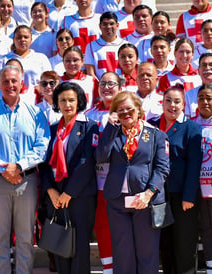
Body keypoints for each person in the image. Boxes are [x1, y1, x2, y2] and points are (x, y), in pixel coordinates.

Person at [0, 65, 50, 274]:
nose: (10, 85)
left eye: (14, 81)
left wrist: (20, 166)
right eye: (5, 81)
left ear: (21, 83)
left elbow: (42, 145)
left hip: (27, 180)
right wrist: (3, 168)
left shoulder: (35, 113)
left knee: (25, 237)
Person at [95, 91, 170, 273]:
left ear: (138, 110)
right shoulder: (112, 133)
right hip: (117, 201)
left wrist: (148, 193)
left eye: (129, 109)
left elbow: (162, 169)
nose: (126, 113)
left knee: (147, 252)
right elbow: (100, 157)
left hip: (144, 200)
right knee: (122, 252)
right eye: (120, 111)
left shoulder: (156, 135)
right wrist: (110, 128)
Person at [39, 81, 98, 273]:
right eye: (62, 100)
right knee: (60, 247)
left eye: (71, 100)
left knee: (79, 250)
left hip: (79, 197)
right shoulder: (53, 128)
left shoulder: (90, 127)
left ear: (79, 101)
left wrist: (68, 193)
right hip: (55, 197)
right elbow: (44, 161)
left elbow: (86, 163)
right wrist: (50, 191)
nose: (67, 104)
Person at [147, 85, 202, 274]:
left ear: (184, 104)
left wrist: (189, 196)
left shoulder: (191, 127)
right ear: (161, 103)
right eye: (168, 101)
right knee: (165, 245)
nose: (172, 105)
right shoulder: (152, 125)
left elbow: (194, 165)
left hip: (182, 197)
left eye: (177, 101)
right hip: (158, 196)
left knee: (184, 246)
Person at [85, 72, 124, 273]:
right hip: (97, 182)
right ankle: (108, 268)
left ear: (120, 87)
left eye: (111, 83)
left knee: (123, 226)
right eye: (103, 83)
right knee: (102, 226)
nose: (107, 87)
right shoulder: (88, 115)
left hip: (123, 182)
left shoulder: (128, 112)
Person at [193, 84, 212, 273]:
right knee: (206, 230)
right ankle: (211, 267)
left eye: (209, 97)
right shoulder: (192, 124)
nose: (205, 102)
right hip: (197, 189)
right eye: (201, 98)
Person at [85, 12, 126, 80]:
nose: (108, 27)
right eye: (105, 24)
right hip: (101, 88)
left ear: (117, 25)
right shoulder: (91, 46)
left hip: (122, 87)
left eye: (111, 24)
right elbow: (90, 73)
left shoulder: (126, 45)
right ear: (100, 26)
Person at [185, 53, 212, 118]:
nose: (207, 68)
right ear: (199, 71)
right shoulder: (189, 95)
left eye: (211, 65)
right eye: (204, 65)